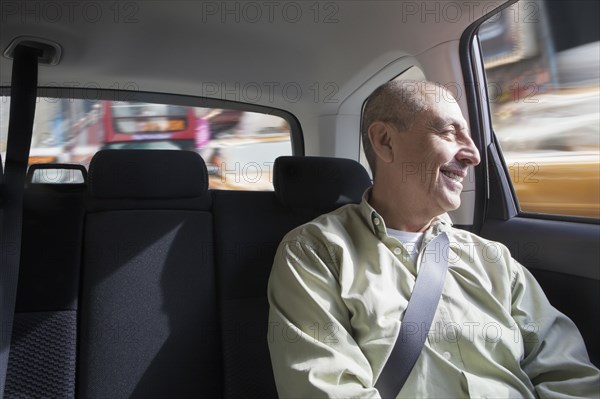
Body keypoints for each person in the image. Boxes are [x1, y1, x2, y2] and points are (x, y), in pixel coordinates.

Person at [267, 80, 600, 398]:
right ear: (385, 141)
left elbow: (566, 373)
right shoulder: (314, 252)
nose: (473, 155)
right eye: (450, 133)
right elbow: (327, 389)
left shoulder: (494, 259)